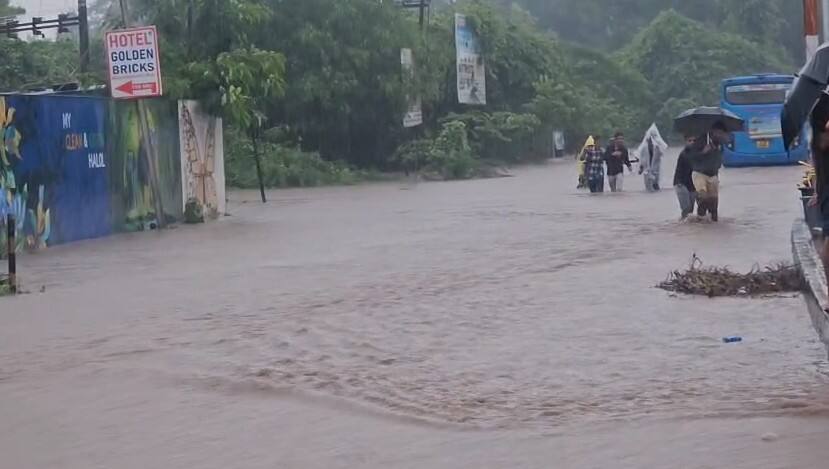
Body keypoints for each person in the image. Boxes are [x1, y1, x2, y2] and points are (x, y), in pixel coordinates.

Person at [687, 122, 728, 222]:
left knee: (714, 201)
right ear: (713, 132)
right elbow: (691, 157)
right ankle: (700, 218)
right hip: (699, 173)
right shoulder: (700, 141)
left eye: (722, 133)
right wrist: (703, 152)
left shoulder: (720, 144)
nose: (721, 135)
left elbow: (719, 161)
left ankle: (713, 220)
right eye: (719, 133)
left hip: (713, 174)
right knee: (703, 197)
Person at [637, 124, 668, 192]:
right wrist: (640, 169)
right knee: (648, 189)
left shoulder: (658, 147)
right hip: (647, 172)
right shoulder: (644, 148)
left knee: (655, 187)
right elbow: (642, 160)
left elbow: (663, 151)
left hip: (655, 172)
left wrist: (658, 148)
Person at [673, 135, 697, 219]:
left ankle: (687, 228)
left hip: (692, 184)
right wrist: (679, 182)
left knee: (691, 209)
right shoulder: (683, 154)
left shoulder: (698, 153)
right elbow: (679, 169)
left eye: (694, 141)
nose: (692, 143)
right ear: (685, 142)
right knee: (686, 208)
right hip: (681, 183)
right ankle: (683, 223)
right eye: (689, 141)